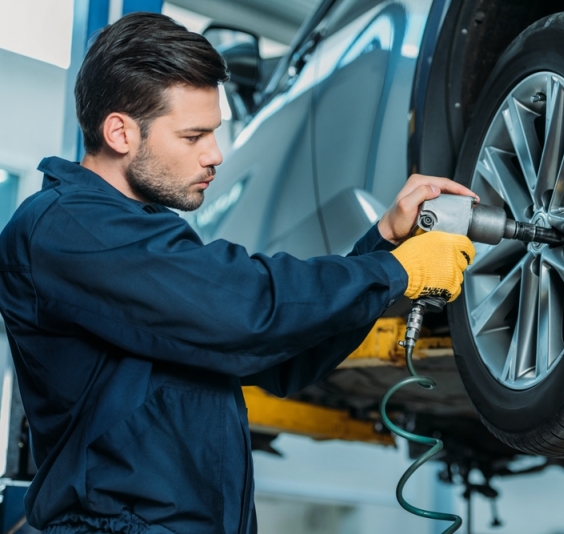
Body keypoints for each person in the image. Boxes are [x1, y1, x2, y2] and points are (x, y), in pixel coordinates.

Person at [0, 12, 476, 534]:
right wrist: (389, 272)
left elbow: (283, 355)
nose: (215, 155)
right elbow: (245, 309)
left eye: (215, 133)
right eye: (193, 136)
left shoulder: (140, 238)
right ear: (120, 132)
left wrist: (382, 241)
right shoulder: (69, 228)